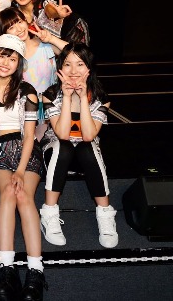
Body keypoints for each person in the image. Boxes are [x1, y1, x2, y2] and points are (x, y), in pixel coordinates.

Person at [0, 33, 47, 301]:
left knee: (23, 194)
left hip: (26, 152)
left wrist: (20, 170)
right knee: (8, 192)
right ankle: (7, 269)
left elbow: (29, 136)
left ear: (19, 64)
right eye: (2, 56)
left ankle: (36, 271)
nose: (6, 62)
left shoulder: (27, 91)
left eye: (12, 58)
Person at [40, 43, 119, 249]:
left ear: (89, 68)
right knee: (63, 147)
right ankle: (49, 213)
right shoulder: (50, 94)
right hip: (56, 149)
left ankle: (105, 214)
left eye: (80, 64)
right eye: (67, 64)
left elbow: (89, 134)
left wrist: (83, 97)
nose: (73, 71)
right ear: (60, 68)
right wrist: (67, 97)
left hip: (86, 150)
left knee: (87, 147)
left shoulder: (100, 97)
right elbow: (62, 134)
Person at [0, 6, 68, 141]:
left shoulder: (45, 44)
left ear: (26, 21)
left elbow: (76, 55)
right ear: (4, 34)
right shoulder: (8, 58)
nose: (19, 29)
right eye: (11, 27)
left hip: (51, 109)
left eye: (19, 22)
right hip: (22, 113)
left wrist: (51, 39)